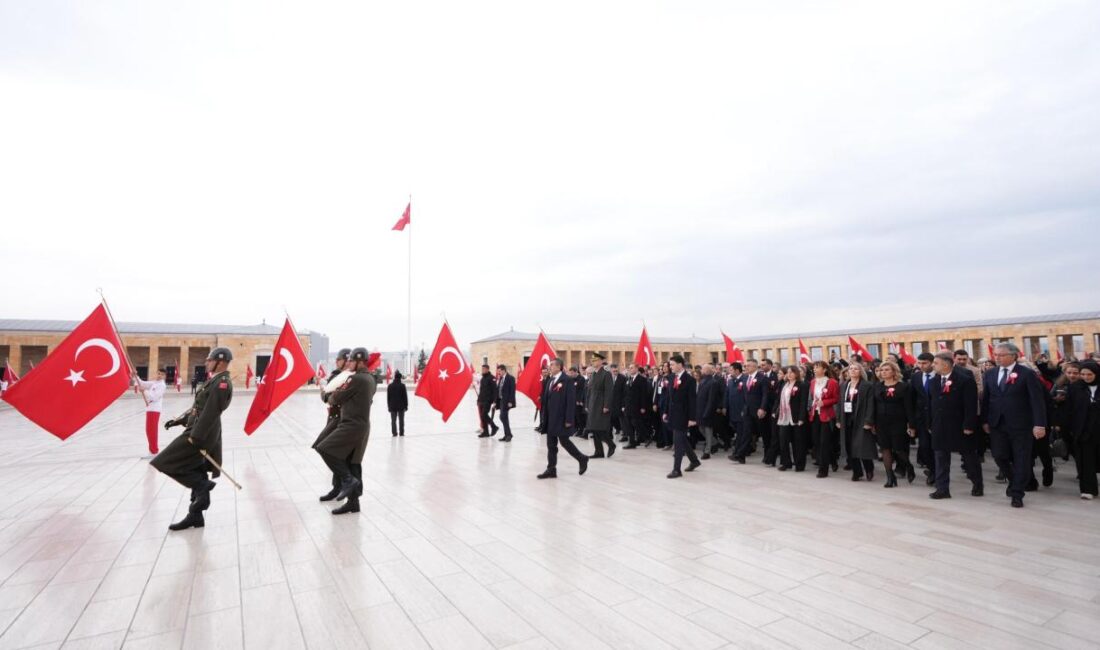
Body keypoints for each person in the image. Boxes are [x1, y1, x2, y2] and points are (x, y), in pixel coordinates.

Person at [151, 347, 233, 531]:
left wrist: (195, 437)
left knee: (163, 461)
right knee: (196, 468)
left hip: (201, 434)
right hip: (197, 430)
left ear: (220, 362)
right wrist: (180, 420)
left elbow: (211, 412)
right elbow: (199, 408)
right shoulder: (214, 380)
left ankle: (202, 486)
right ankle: (195, 516)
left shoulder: (222, 383)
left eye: (210, 360)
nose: (206, 362)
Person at [981, 342, 1047, 508]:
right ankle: (1014, 480)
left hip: (1021, 424)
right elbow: (986, 399)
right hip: (997, 423)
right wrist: (985, 420)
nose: (997, 358)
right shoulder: (990, 374)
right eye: (995, 355)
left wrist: (1039, 424)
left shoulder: (1027, 374)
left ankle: (1017, 493)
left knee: (1022, 459)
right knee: (999, 456)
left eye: (1001, 355)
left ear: (1013, 356)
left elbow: (1036, 401)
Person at [314, 347, 376, 515]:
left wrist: (328, 393)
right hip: (361, 425)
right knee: (352, 463)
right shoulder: (370, 378)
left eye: (352, 361)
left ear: (359, 361)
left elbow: (336, 398)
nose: (349, 363)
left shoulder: (356, 379)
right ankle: (353, 503)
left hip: (351, 425)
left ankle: (348, 481)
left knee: (324, 448)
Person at [929, 351, 982, 500]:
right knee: (940, 457)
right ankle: (942, 489)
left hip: (959, 425)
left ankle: (977, 484)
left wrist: (969, 425)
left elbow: (970, 405)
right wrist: (930, 423)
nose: (933, 365)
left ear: (946, 364)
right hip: (939, 425)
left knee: (969, 457)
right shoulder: (934, 381)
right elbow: (931, 403)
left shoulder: (964, 380)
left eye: (936, 363)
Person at [866, 360, 917, 487]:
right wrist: (871, 422)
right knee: (885, 449)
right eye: (882, 370)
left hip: (898, 422)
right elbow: (873, 406)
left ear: (894, 371)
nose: (883, 372)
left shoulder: (904, 387)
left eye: (887, 370)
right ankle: (890, 477)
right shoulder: (877, 386)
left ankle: (909, 467)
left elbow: (909, 407)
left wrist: (911, 425)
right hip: (881, 422)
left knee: (898, 449)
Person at [538, 359, 589, 479]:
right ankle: (551, 469)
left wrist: (569, 420)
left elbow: (570, 402)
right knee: (551, 445)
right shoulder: (551, 380)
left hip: (561, 419)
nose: (549, 367)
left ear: (558, 366)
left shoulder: (567, 380)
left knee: (564, 442)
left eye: (551, 365)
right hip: (550, 418)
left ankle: (582, 458)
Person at [315, 348, 351, 501]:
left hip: (342, 419)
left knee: (333, 451)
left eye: (339, 359)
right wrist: (324, 390)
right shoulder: (337, 376)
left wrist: (325, 392)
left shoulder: (349, 377)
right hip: (334, 417)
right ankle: (338, 486)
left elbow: (328, 397)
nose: (337, 362)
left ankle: (344, 483)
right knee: (329, 450)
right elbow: (326, 398)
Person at [1066, 360, 1099, 499]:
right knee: (1086, 461)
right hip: (1083, 431)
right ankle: (1088, 489)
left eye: (1089, 374)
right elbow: (1070, 409)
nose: (1086, 377)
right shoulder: (1075, 387)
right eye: (1083, 374)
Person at [665, 355, 701, 478]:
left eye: (672, 364)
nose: (670, 367)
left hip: (684, 415)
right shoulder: (671, 377)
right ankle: (694, 461)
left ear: (680, 364)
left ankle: (677, 470)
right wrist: (665, 411)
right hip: (673, 413)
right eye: (670, 365)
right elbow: (669, 397)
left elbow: (692, 400)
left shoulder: (689, 380)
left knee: (678, 442)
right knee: (681, 439)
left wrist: (692, 418)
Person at [837, 364, 875, 481]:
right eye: (851, 369)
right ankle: (857, 472)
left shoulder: (867, 385)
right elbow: (840, 403)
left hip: (861, 418)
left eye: (856, 369)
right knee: (849, 445)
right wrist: (838, 419)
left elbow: (871, 404)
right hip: (847, 418)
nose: (853, 370)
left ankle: (869, 468)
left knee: (862, 445)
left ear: (861, 371)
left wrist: (868, 421)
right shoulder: (844, 385)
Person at [733, 359, 770, 464]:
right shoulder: (745, 378)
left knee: (764, 433)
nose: (746, 368)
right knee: (746, 433)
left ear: (754, 367)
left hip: (759, 411)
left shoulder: (762, 378)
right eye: (745, 366)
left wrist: (762, 408)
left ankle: (768, 456)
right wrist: (744, 408)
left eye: (748, 366)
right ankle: (741, 455)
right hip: (748, 410)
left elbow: (765, 395)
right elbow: (745, 395)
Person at [773, 366, 808, 471]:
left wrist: (801, 417)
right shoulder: (784, 384)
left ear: (796, 374)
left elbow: (803, 402)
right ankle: (786, 462)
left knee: (798, 442)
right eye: (788, 372)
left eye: (792, 372)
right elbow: (778, 399)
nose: (789, 374)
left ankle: (799, 464)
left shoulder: (802, 385)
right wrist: (775, 411)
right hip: (784, 417)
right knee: (783, 440)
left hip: (796, 417)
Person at [807, 361, 839, 474]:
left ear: (824, 370)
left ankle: (823, 469)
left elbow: (836, 398)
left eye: (817, 367)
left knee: (824, 442)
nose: (814, 369)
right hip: (815, 414)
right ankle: (833, 460)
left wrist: (824, 402)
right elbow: (812, 397)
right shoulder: (812, 382)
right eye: (814, 367)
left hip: (827, 415)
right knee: (817, 441)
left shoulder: (832, 382)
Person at [911, 352, 937, 485]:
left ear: (932, 362)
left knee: (938, 449)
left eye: (924, 363)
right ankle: (932, 470)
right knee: (925, 447)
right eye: (919, 363)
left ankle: (937, 473)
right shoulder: (915, 377)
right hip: (921, 419)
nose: (921, 366)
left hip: (937, 418)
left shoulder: (940, 376)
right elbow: (912, 398)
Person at [585, 353, 616, 458]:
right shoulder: (593, 374)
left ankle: (611, 445)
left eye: (596, 360)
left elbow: (609, 391)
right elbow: (589, 390)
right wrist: (587, 404)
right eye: (592, 361)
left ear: (601, 361)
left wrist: (606, 405)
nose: (594, 362)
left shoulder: (606, 374)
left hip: (601, 404)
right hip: (592, 404)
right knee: (594, 429)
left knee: (600, 428)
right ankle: (599, 452)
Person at [135, 369, 167, 456]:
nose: (159, 375)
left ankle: (154, 451)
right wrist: (135, 375)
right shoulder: (154, 383)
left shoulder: (162, 385)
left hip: (155, 410)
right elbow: (142, 383)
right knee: (149, 430)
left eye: (162, 374)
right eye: (158, 373)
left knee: (152, 430)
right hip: (150, 409)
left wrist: (144, 391)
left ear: (164, 376)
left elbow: (154, 397)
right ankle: (152, 450)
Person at [696, 364, 722, 459]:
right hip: (700, 409)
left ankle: (707, 451)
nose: (701, 370)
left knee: (708, 431)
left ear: (707, 371)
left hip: (708, 411)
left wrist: (707, 412)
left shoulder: (713, 382)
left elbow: (711, 399)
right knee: (701, 428)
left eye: (703, 369)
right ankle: (715, 442)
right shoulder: (703, 381)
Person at [623, 363, 650, 448]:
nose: (630, 369)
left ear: (636, 369)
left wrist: (643, 406)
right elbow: (625, 393)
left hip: (637, 406)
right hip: (628, 406)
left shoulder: (642, 379)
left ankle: (646, 436)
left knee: (636, 423)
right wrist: (623, 405)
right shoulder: (628, 379)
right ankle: (632, 442)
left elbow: (643, 394)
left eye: (632, 368)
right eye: (629, 368)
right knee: (628, 425)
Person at [725, 363, 747, 462]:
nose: (729, 372)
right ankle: (740, 456)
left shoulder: (745, 380)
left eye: (731, 370)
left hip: (742, 412)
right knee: (738, 434)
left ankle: (738, 454)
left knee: (741, 434)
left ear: (737, 370)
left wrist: (744, 410)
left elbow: (747, 398)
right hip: (733, 412)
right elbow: (727, 395)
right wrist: (725, 407)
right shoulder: (730, 381)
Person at [477, 364, 498, 438]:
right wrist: (478, 399)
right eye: (482, 369)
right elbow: (481, 390)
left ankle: (494, 427)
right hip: (481, 400)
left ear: (487, 369)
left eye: (484, 369)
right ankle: (486, 432)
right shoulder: (483, 378)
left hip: (488, 400)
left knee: (484, 415)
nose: (482, 370)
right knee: (482, 416)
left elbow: (495, 390)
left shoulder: (492, 378)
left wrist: (495, 401)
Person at [495, 364, 516, 442]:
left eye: (499, 371)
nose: (498, 373)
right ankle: (507, 434)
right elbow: (498, 390)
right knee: (503, 417)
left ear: (504, 370)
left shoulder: (511, 378)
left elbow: (512, 391)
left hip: (507, 402)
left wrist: (510, 401)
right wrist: (495, 402)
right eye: (498, 371)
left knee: (503, 417)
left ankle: (508, 435)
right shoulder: (500, 378)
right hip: (501, 401)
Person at [387, 369, 408, 437]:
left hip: (392, 406)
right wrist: (406, 406)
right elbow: (405, 397)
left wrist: (389, 406)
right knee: (401, 420)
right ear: (400, 378)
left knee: (393, 420)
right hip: (401, 406)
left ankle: (394, 433)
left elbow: (388, 397)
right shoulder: (402, 386)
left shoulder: (390, 386)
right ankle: (401, 433)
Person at [610, 363, 627, 443]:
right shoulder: (609, 378)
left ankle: (625, 434)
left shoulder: (623, 378)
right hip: (611, 403)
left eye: (616, 371)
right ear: (611, 370)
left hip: (620, 402)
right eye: (613, 371)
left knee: (622, 420)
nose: (615, 372)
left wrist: (623, 404)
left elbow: (625, 392)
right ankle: (611, 433)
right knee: (611, 419)